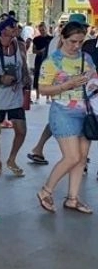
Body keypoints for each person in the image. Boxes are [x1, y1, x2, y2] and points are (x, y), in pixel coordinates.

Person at [36, 22, 94, 214]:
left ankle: (73, 198)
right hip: (63, 112)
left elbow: (94, 79)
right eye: (72, 41)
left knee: (82, 158)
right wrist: (67, 85)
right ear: (62, 38)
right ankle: (46, 191)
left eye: (80, 41)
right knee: (72, 157)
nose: (76, 46)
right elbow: (43, 89)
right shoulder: (52, 62)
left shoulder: (86, 58)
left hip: (85, 112)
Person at [0, 17, 29, 177]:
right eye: (13, 27)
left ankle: (11, 159)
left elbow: (24, 65)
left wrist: (26, 77)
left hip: (15, 96)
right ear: (3, 29)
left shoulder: (20, 45)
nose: (17, 29)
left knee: (21, 130)